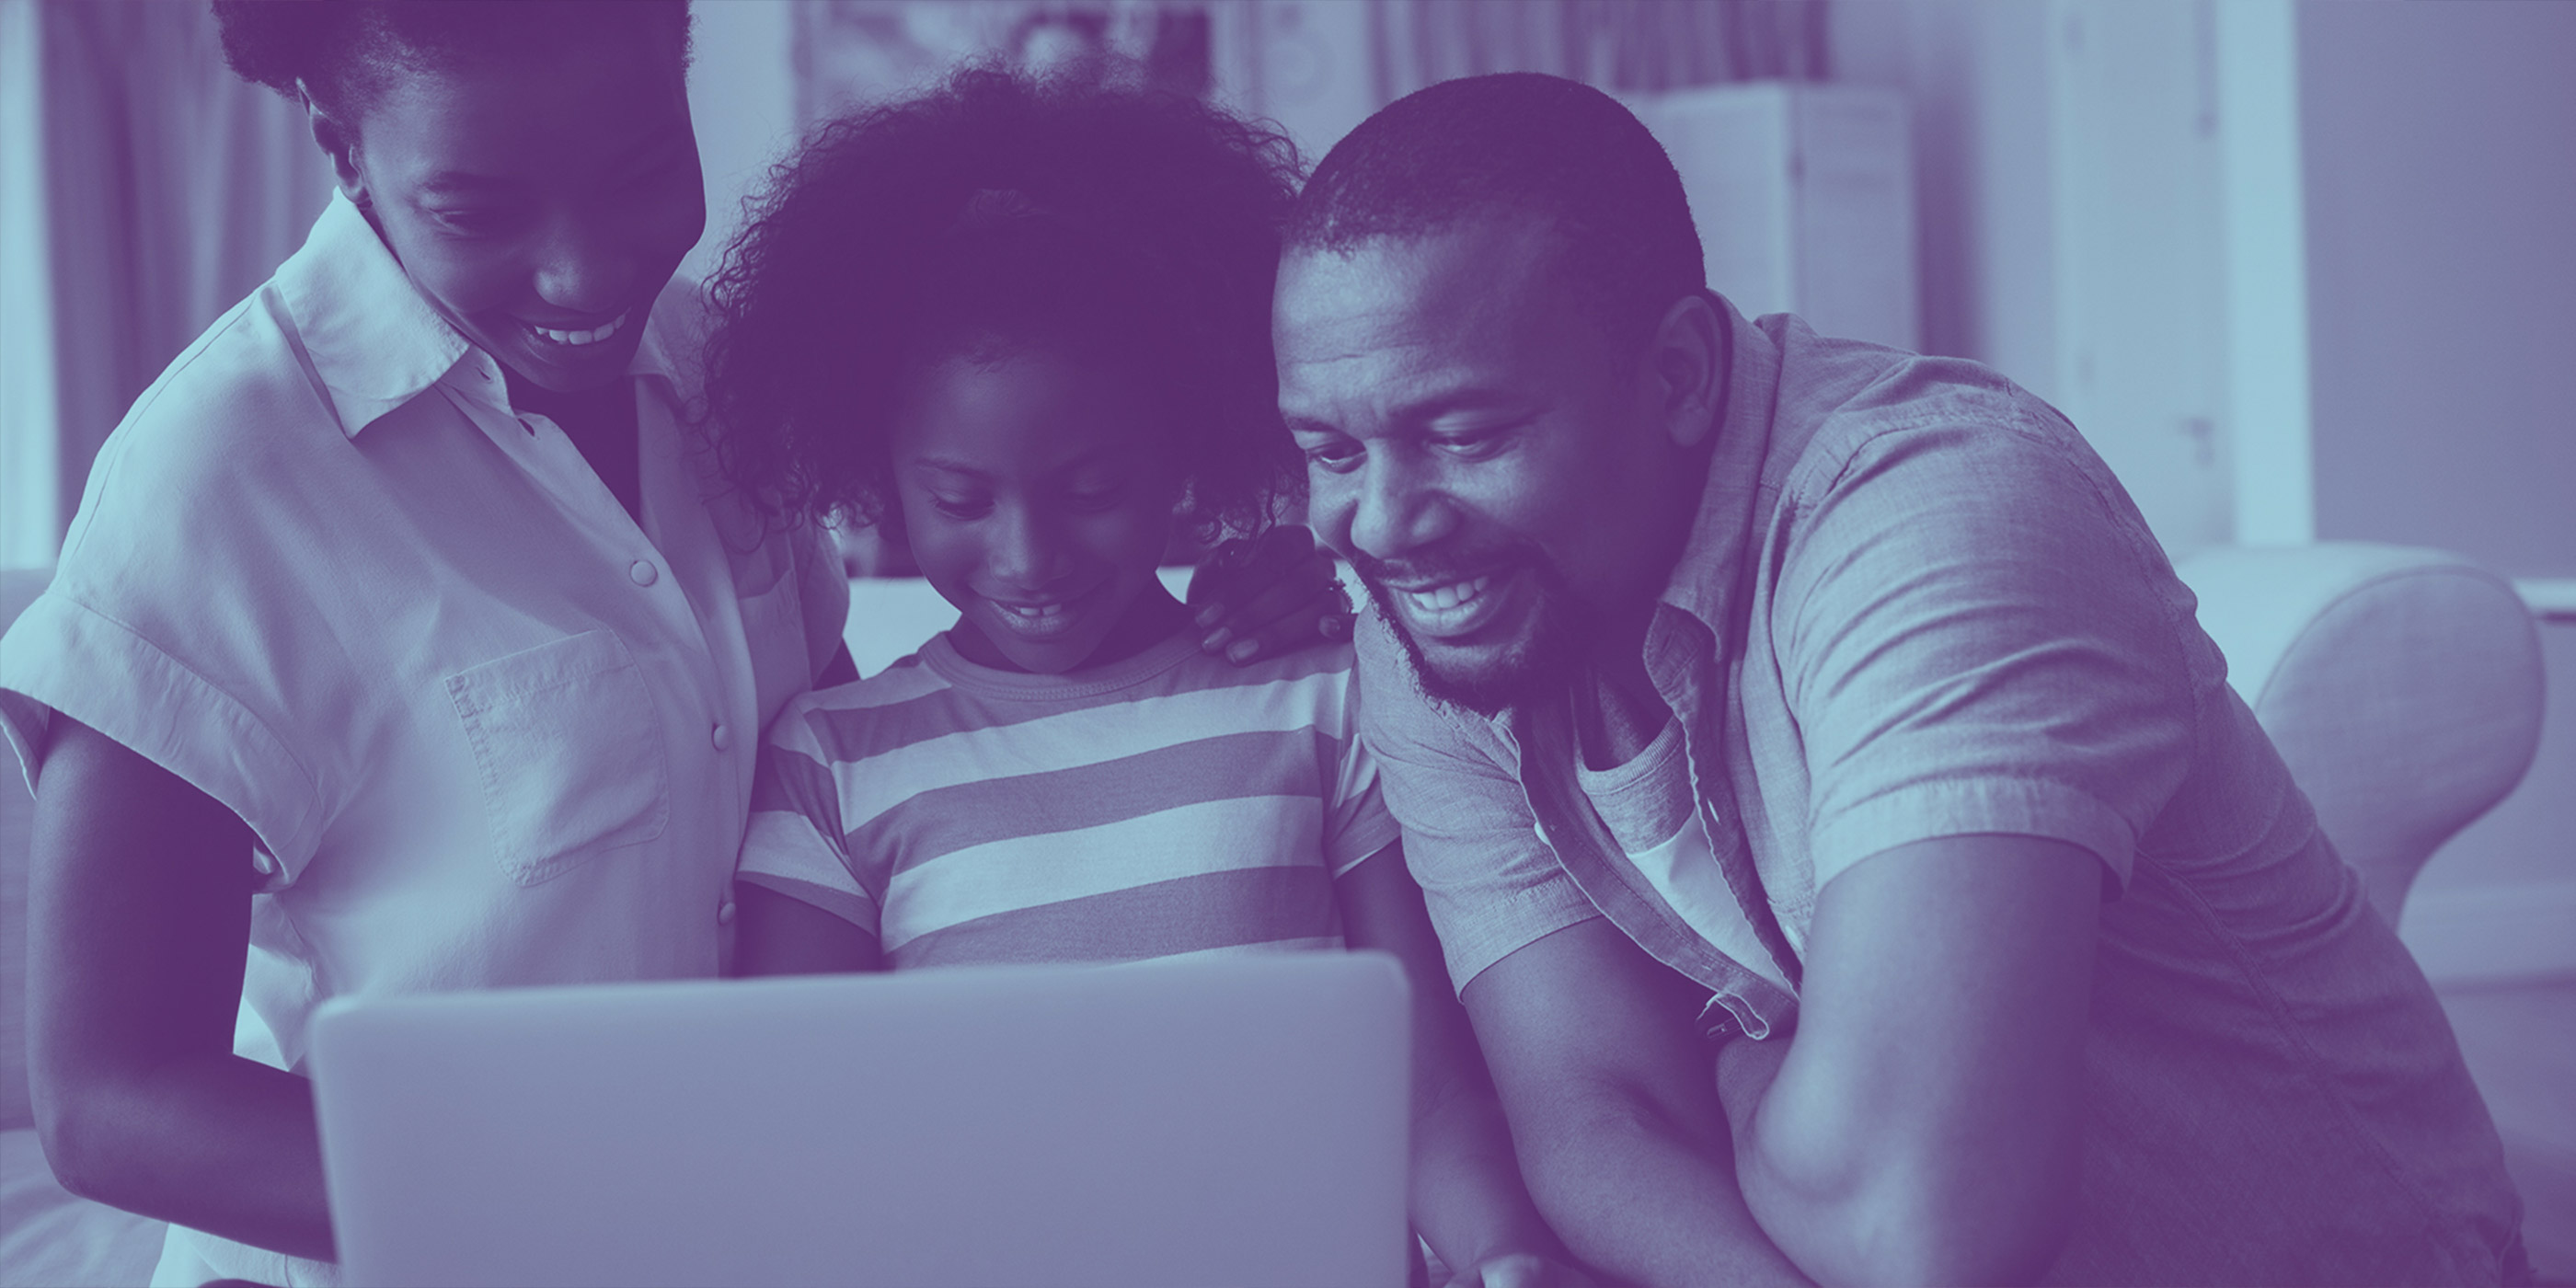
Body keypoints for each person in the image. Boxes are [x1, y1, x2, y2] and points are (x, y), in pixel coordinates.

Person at [0, 6, 1335, 1285]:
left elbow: (865, 792)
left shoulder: (705, 368)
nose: (587, 273)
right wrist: (608, 1194)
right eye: (481, 210)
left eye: (643, 171)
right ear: (337, 139)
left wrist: (1241, 623)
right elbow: (111, 1100)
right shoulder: (220, 482)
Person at [1272, 72, 2529, 1287]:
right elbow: (1596, 1126)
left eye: (1465, 434)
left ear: (1678, 376)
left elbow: (1921, 1229)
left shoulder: (1940, 512)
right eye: (1328, 450)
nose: (1381, 524)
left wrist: (1741, 1071)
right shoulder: (1441, 619)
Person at [707, 68, 1587, 1288]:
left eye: (1091, 490)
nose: (1029, 559)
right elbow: (799, 1127)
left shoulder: (1322, 701)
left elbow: (1424, 1087)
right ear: (879, 468)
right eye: (961, 500)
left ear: (1186, 450)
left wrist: (1503, 1254)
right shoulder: (833, 765)